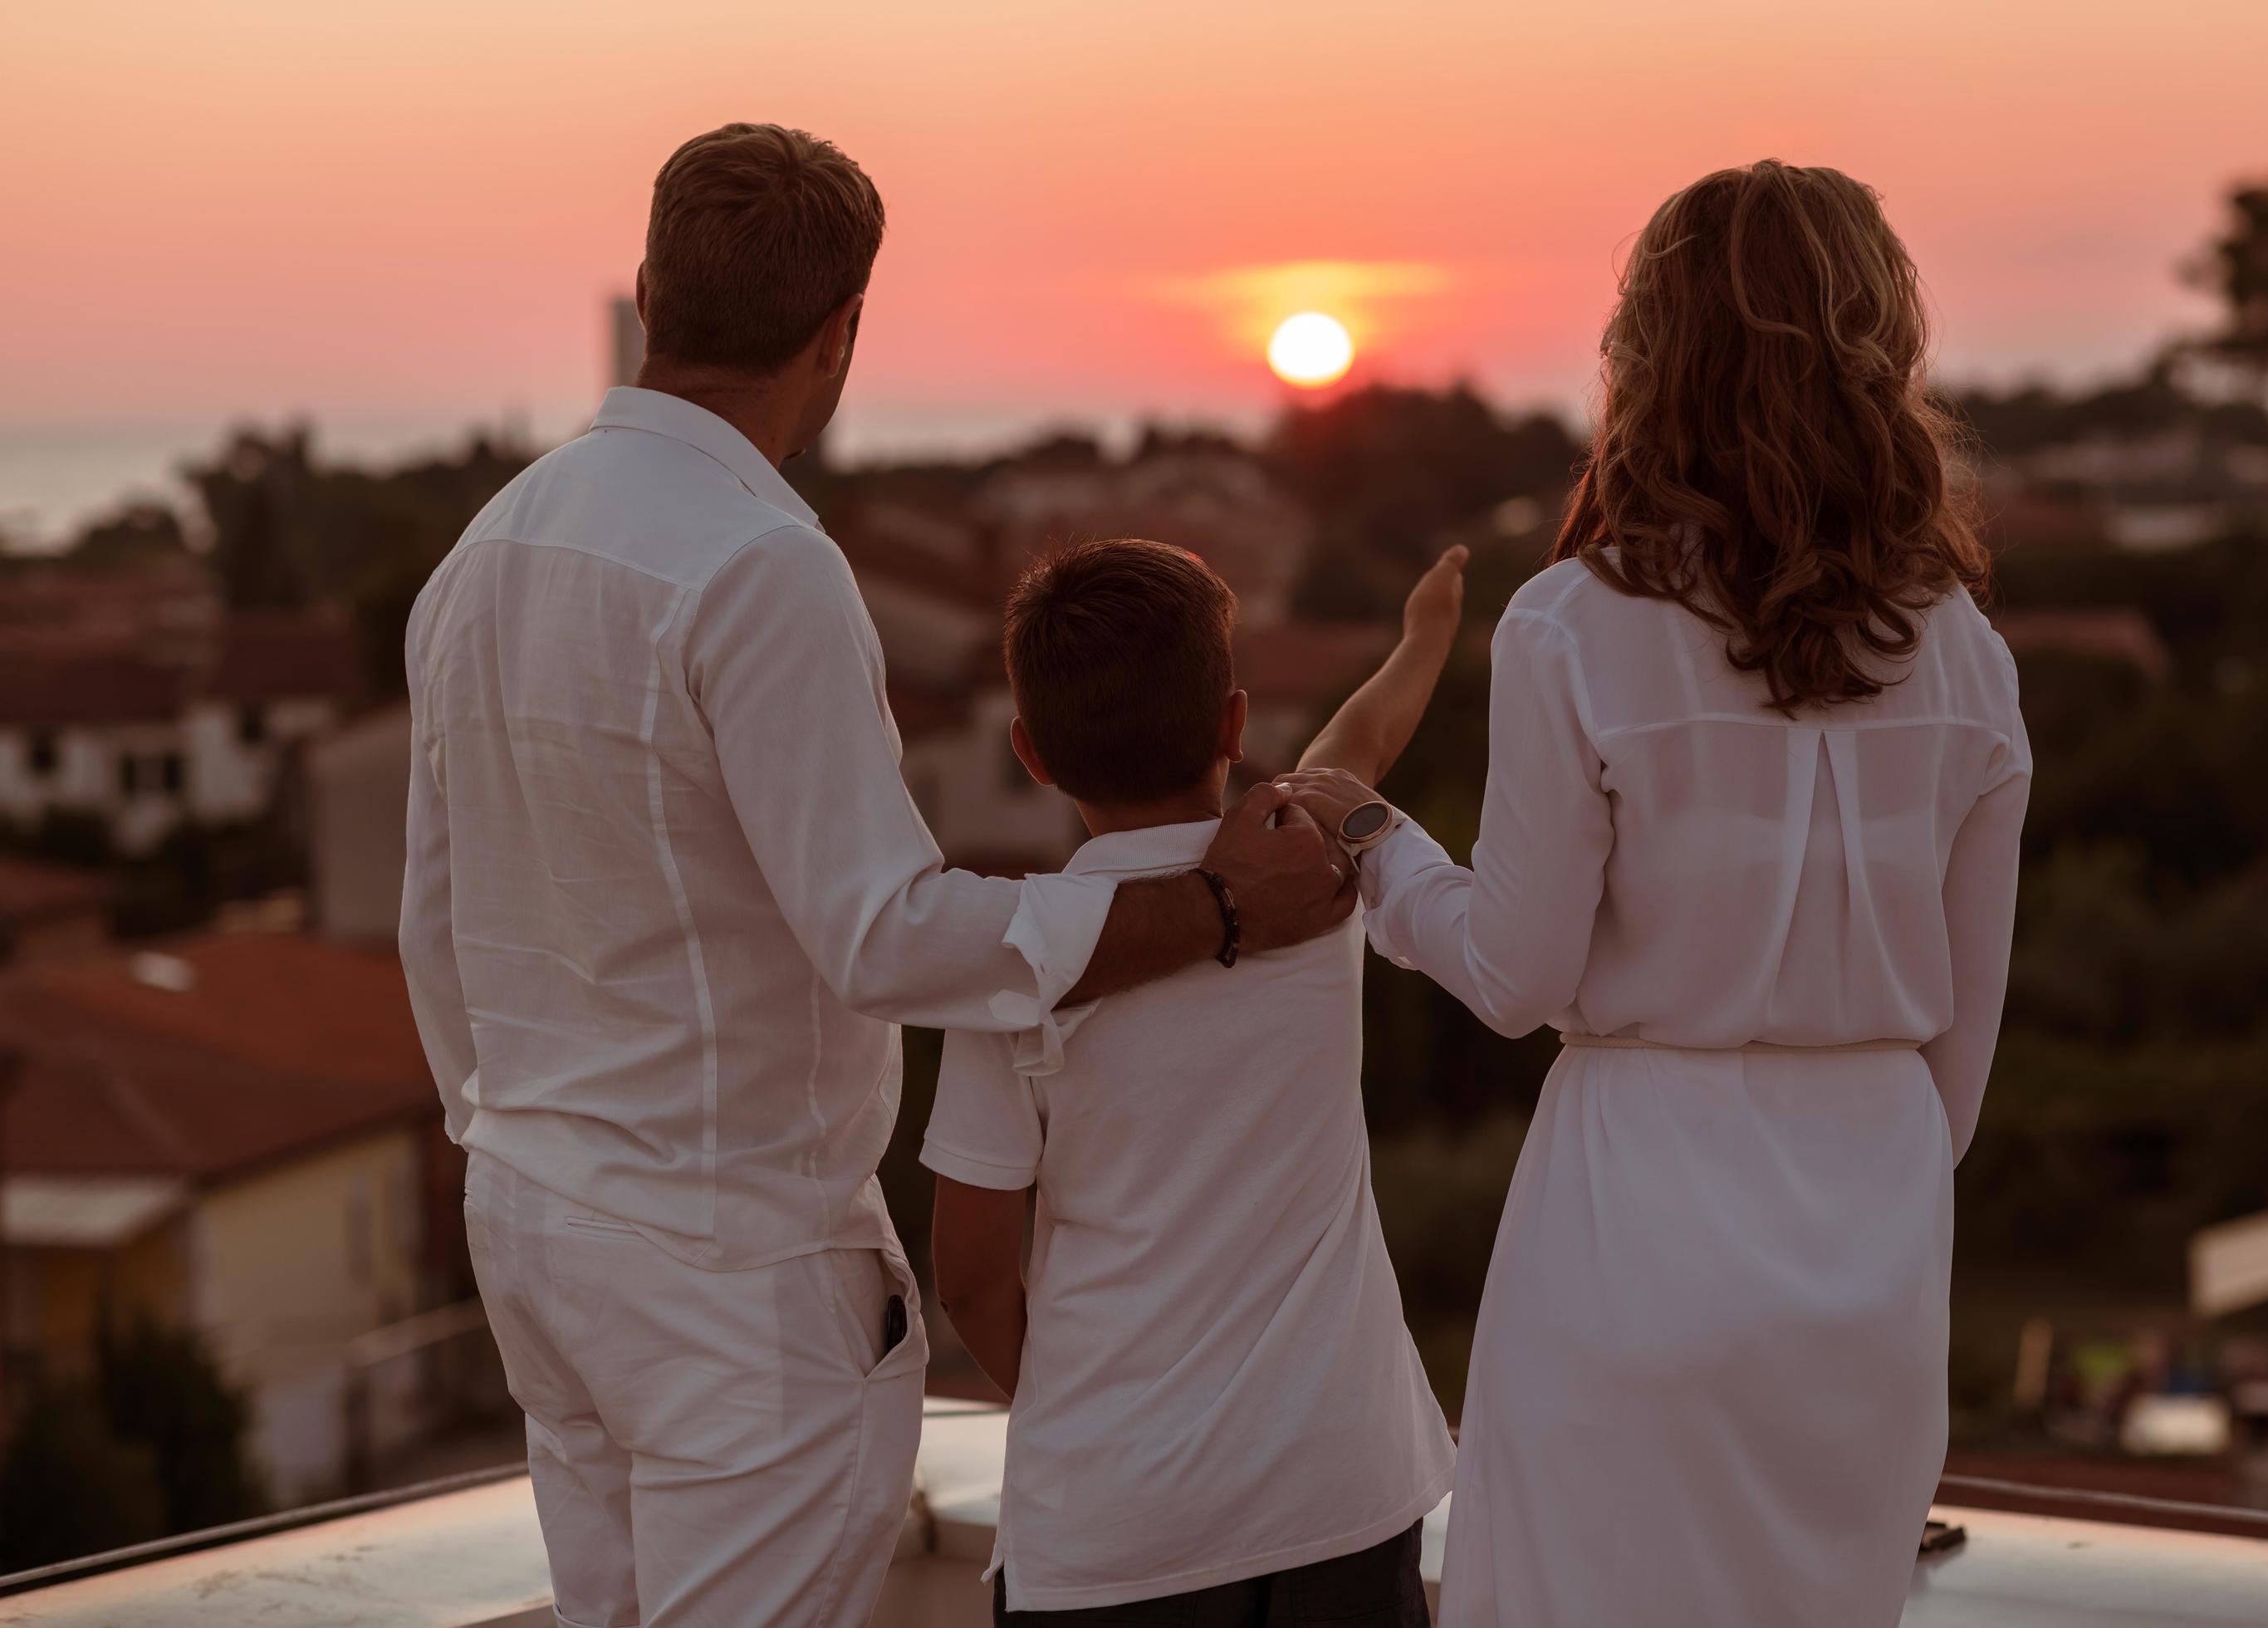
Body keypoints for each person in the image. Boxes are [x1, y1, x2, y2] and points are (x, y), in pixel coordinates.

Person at [399, 124, 1351, 1628]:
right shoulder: (757, 564)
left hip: (535, 1227)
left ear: (651, 289)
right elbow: (887, 937)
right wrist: (1220, 911)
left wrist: (510, 1142)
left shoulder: (486, 549)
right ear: (841, 335)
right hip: (722, 1268)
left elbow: (435, 931)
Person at [1278, 160, 2031, 1626]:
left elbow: (1515, 972)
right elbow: (1964, 1067)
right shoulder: (1968, 657)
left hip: (1637, 1215)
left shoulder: (1578, 625)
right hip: (1872, 1247)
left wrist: (1373, 838)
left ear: (1652, 354)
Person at [922, 539, 1467, 1625]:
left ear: (1032, 752)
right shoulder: (1312, 888)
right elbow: (1354, 748)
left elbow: (975, 1278)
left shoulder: (1021, 961)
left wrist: (1101, 1423)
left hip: (1115, 1538)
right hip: (1341, 1491)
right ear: (1232, 723)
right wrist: (1424, 639)